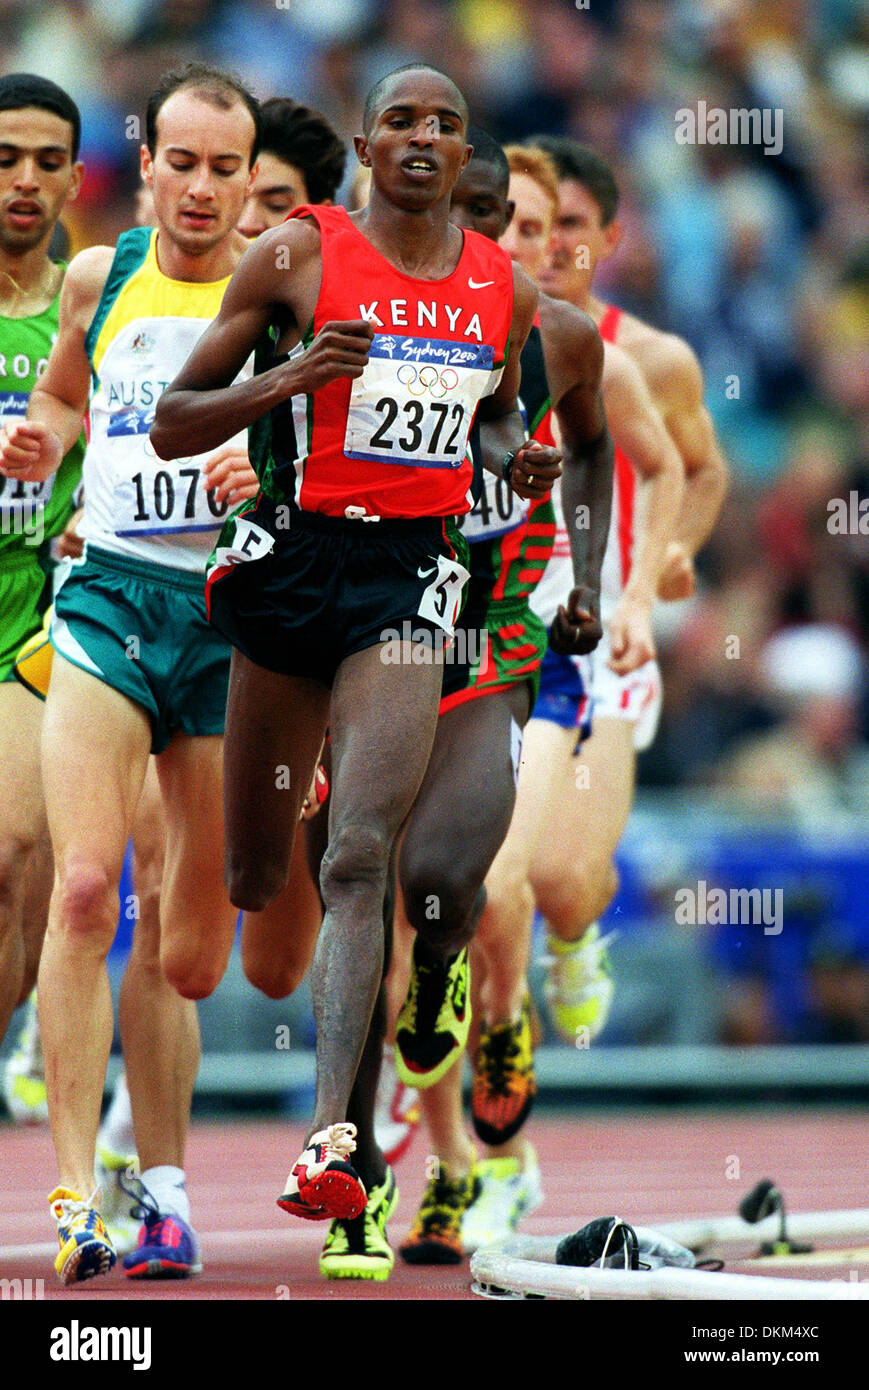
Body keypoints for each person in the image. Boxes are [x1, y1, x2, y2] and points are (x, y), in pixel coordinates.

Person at [151, 64, 558, 1235]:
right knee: (253, 879)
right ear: (369, 146)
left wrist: (511, 456)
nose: (423, 139)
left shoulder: (503, 288)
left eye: (445, 125)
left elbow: (489, 415)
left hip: (407, 581)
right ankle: (288, 785)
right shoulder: (297, 252)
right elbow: (178, 419)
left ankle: (337, 1135)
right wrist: (291, 374)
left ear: (463, 150)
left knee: (359, 855)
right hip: (292, 567)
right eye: (400, 123)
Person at [0, 62, 261, 1285]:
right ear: (144, 160)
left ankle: (158, 1179)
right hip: (104, 601)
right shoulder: (104, 279)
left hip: (222, 623)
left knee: (189, 946)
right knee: (83, 887)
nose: (202, 189)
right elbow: (60, 397)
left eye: (226, 169)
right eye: (182, 162)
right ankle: (71, 1195)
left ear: (250, 179)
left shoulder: (284, 293)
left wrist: (269, 475)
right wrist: (39, 438)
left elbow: (324, 456)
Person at [403, 141, 686, 1258]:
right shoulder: (402, 332)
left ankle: (512, 1023)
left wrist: (647, 580)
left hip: (547, 648)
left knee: (520, 881)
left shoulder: (591, 349)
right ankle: (455, 1168)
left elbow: (667, 467)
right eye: (497, 222)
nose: (517, 243)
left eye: (533, 227)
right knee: (407, 929)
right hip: (404, 644)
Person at [526, 135, 729, 1042]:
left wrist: (668, 560)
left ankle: (575, 929)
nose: (555, 245)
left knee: (564, 880)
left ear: (607, 237)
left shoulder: (652, 358)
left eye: (574, 226)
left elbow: (701, 470)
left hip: (602, 632)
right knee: (477, 879)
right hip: (486, 625)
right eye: (538, 224)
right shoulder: (468, 333)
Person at [0, 74, 85, 1099]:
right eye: (4, 158)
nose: (24, 180)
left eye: (46, 161)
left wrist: (78, 513)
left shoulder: (95, 303)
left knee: (20, 855)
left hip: (38, 615)